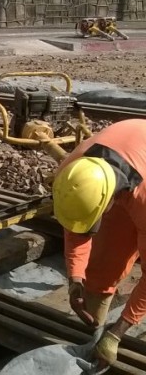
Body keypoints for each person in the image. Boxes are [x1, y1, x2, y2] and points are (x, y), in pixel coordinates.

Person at [52, 119, 146, 368]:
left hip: (141, 179)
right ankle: (94, 334)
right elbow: (76, 226)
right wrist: (75, 279)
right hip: (127, 165)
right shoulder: (74, 173)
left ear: (109, 200)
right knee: (104, 263)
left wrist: (117, 333)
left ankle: (107, 336)